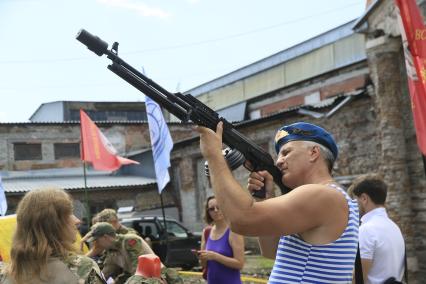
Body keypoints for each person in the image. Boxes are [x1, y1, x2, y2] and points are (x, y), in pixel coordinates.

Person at [197, 121, 359, 283]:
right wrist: (264, 198)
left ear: (313, 153)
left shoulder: (321, 194)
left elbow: (240, 220)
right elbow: (271, 251)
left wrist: (214, 156)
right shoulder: (333, 196)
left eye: (286, 152)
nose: (279, 161)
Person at [0, 187, 105, 284]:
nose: (76, 220)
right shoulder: (83, 268)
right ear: (52, 224)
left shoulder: (5, 276)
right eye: (68, 214)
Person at [349, 175, 405, 284]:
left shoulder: (366, 230)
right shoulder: (394, 227)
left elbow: (358, 279)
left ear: (364, 198)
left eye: (355, 200)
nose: (354, 205)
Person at [86, 222, 156, 284]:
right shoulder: (112, 251)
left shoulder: (130, 241)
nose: (96, 244)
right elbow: (105, 274)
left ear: (105, 237)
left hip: (155, 277)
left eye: (97, 241)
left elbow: (139, 270)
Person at [198, 196, 244, 284]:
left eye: (219, 207)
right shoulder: (206, 232)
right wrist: (201, 258)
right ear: (208, 212)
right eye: (211, 208)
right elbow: (204, 265)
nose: (216, 210)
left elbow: (240, 264)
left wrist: (215, 256)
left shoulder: (234, 231)